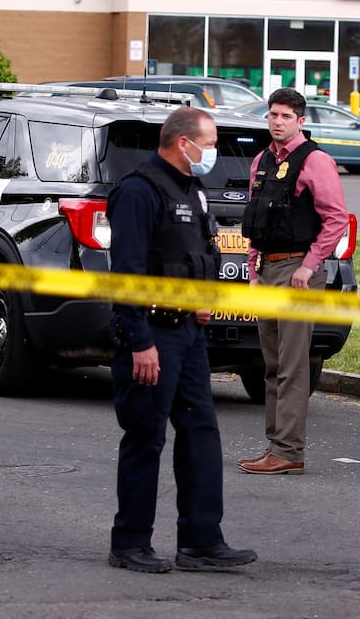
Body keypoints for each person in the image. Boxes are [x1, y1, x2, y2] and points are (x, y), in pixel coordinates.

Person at [106, 106, 256, 574]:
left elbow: (192, 256)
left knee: (200, 435)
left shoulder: (192, 190)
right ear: (181, 142)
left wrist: (200, 299)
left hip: (189, 334)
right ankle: (130, 542)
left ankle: (201, 542)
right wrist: (138, 341)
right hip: (151, 335)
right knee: (146, 436)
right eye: (209, 144)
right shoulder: (137, 191)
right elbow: (126, 274)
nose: (212, 152)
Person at [238, 88, 349, 475]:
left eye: (285, 116)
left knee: (292, 364)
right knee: (270, 361)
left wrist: (310, 264)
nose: (277, 122)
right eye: (273, 115)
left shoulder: (315, 161)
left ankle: (290, 450)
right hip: (268, 269)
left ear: (300, 121)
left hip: (298, 271)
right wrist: (253, 270)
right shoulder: (262, 162)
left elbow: (336, 219)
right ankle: (275, 446)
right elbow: (255, 221)